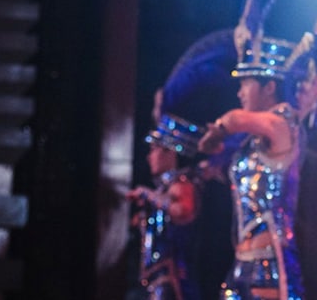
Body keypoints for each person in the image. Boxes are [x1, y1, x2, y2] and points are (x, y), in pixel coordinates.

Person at [197, 36, 307, 300]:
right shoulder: (252, 142)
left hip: (269, 264)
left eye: (246, 83)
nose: (240, 92)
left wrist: (219, 131)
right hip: (241, 263)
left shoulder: (284, 124)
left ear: (269, 87)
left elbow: (235, 119)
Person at [128, 108, 205, 300]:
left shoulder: (182, 184)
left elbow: (183, 211)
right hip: (152, 276)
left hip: (173, 279)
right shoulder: (163, 189)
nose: (149, 156)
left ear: (169, 152)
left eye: (154, 149)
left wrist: (148, 195)